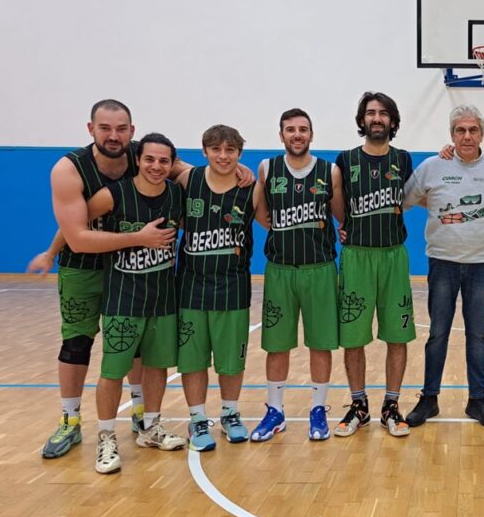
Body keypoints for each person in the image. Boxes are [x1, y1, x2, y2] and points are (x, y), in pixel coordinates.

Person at [31, 100, 163, 459]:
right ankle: (70, 421)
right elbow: (77, 235)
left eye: (121, 129)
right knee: (76, 344)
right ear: (91, 129)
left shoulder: (143, 156)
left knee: (133, 342)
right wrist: (138, 239)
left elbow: (185, 170)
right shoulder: (68, 170)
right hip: (83, 266)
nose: (114, 135)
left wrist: (239, 174)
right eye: (105, 128)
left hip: (128, 266)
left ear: (132, 132)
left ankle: (139, 412)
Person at [401, 104, 484, 430]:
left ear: (482, 133)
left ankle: (477, 400)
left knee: (477, 336)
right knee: (437, 334)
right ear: (452, 134)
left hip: (481, 266)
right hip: (442, 263)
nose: (467, 136)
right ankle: (429, 399)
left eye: (473, 130)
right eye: (460, 130)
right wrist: (434, 200)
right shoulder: (433, 166)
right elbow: (406, 199)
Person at [82, 133, 187, 474]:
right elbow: (78, 228)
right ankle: (106, 436)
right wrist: (135, 238)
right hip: (122, 299)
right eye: (150, 159)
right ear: (137, 160)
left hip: (162, 297)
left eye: (163, 161)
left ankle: (151, 427)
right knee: (112, 371)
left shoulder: (176, 196)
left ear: (171, 164)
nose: (156, 166)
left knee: (157, 366)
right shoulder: (112, 195)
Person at [250, 108, 344, 442]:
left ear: (311, 134)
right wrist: (273, 225)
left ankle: (318, 410)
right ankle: (275, 411)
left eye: (303, 129)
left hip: (319, 268)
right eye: (290, 129)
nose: (297, 134)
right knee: (277, 345)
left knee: (321, 344)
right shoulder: (267, 168)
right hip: (279, 270)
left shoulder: (328, 171)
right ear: (281, 135)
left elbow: (341, 215)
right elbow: (259, 209)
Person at [176, 125, 263, 451]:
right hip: (191, 286)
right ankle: (197, 417)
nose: (223, 156)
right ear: (205, 151)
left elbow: (270, 221)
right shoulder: (189, 180)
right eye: (216, 150)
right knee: (193, 360)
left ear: (240, 153)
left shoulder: (251, 188)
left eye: (230, 151)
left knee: (231, 359)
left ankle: (230, 413)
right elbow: (164, 165)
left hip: (232, 286)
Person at [333, 92, 415, 437]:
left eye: (383, 113)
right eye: (370, 113)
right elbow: (339, 208)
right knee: (354, 336)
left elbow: (411, 197)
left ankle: (391, 405)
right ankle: (359, 405)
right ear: (362, 120)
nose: (377, 118)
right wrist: (349, 229)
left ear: (392, 121)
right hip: (356, 258)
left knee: (397, 336)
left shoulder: (404, 159)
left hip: (393, 255)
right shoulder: (345, 160)